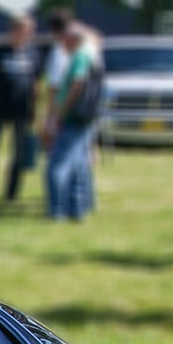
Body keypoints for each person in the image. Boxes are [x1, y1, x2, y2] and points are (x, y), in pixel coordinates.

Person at [0, 14, 40, 201]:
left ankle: (11, 193)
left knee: (19, 153)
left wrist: (35, 108)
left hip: (21, 111)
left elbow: (36, 84)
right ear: (13, 31)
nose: (27, 34)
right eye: (23, 30)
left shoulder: (33, 54)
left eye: (29, 31)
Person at [41, 20, 99, 221]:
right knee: (78, 164)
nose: (61, 43)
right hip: (82, 118)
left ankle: (57, 210)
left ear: (73, 39)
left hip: (72, 117)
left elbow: (77, 84)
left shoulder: (80, 57)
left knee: (57, 164)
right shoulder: (88, 55)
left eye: (64, 39)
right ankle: (77, 210)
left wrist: (60, 112)